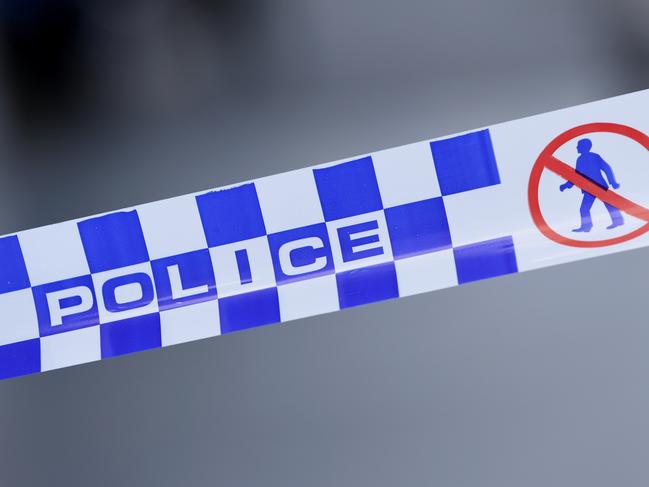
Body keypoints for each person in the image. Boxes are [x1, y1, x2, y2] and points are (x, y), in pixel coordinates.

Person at [559, 138, 624, 232]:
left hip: (598, 186)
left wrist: (613, 182)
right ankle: (588, 226)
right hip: (591, 188)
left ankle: (615, 221)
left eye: (579, 146)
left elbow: (606, 168)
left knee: (603, 205)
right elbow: (576, 176)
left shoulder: (592, 157)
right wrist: (566, 185)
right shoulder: (581, 159)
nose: (577, 147)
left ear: (584, 147)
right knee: (586, 208)